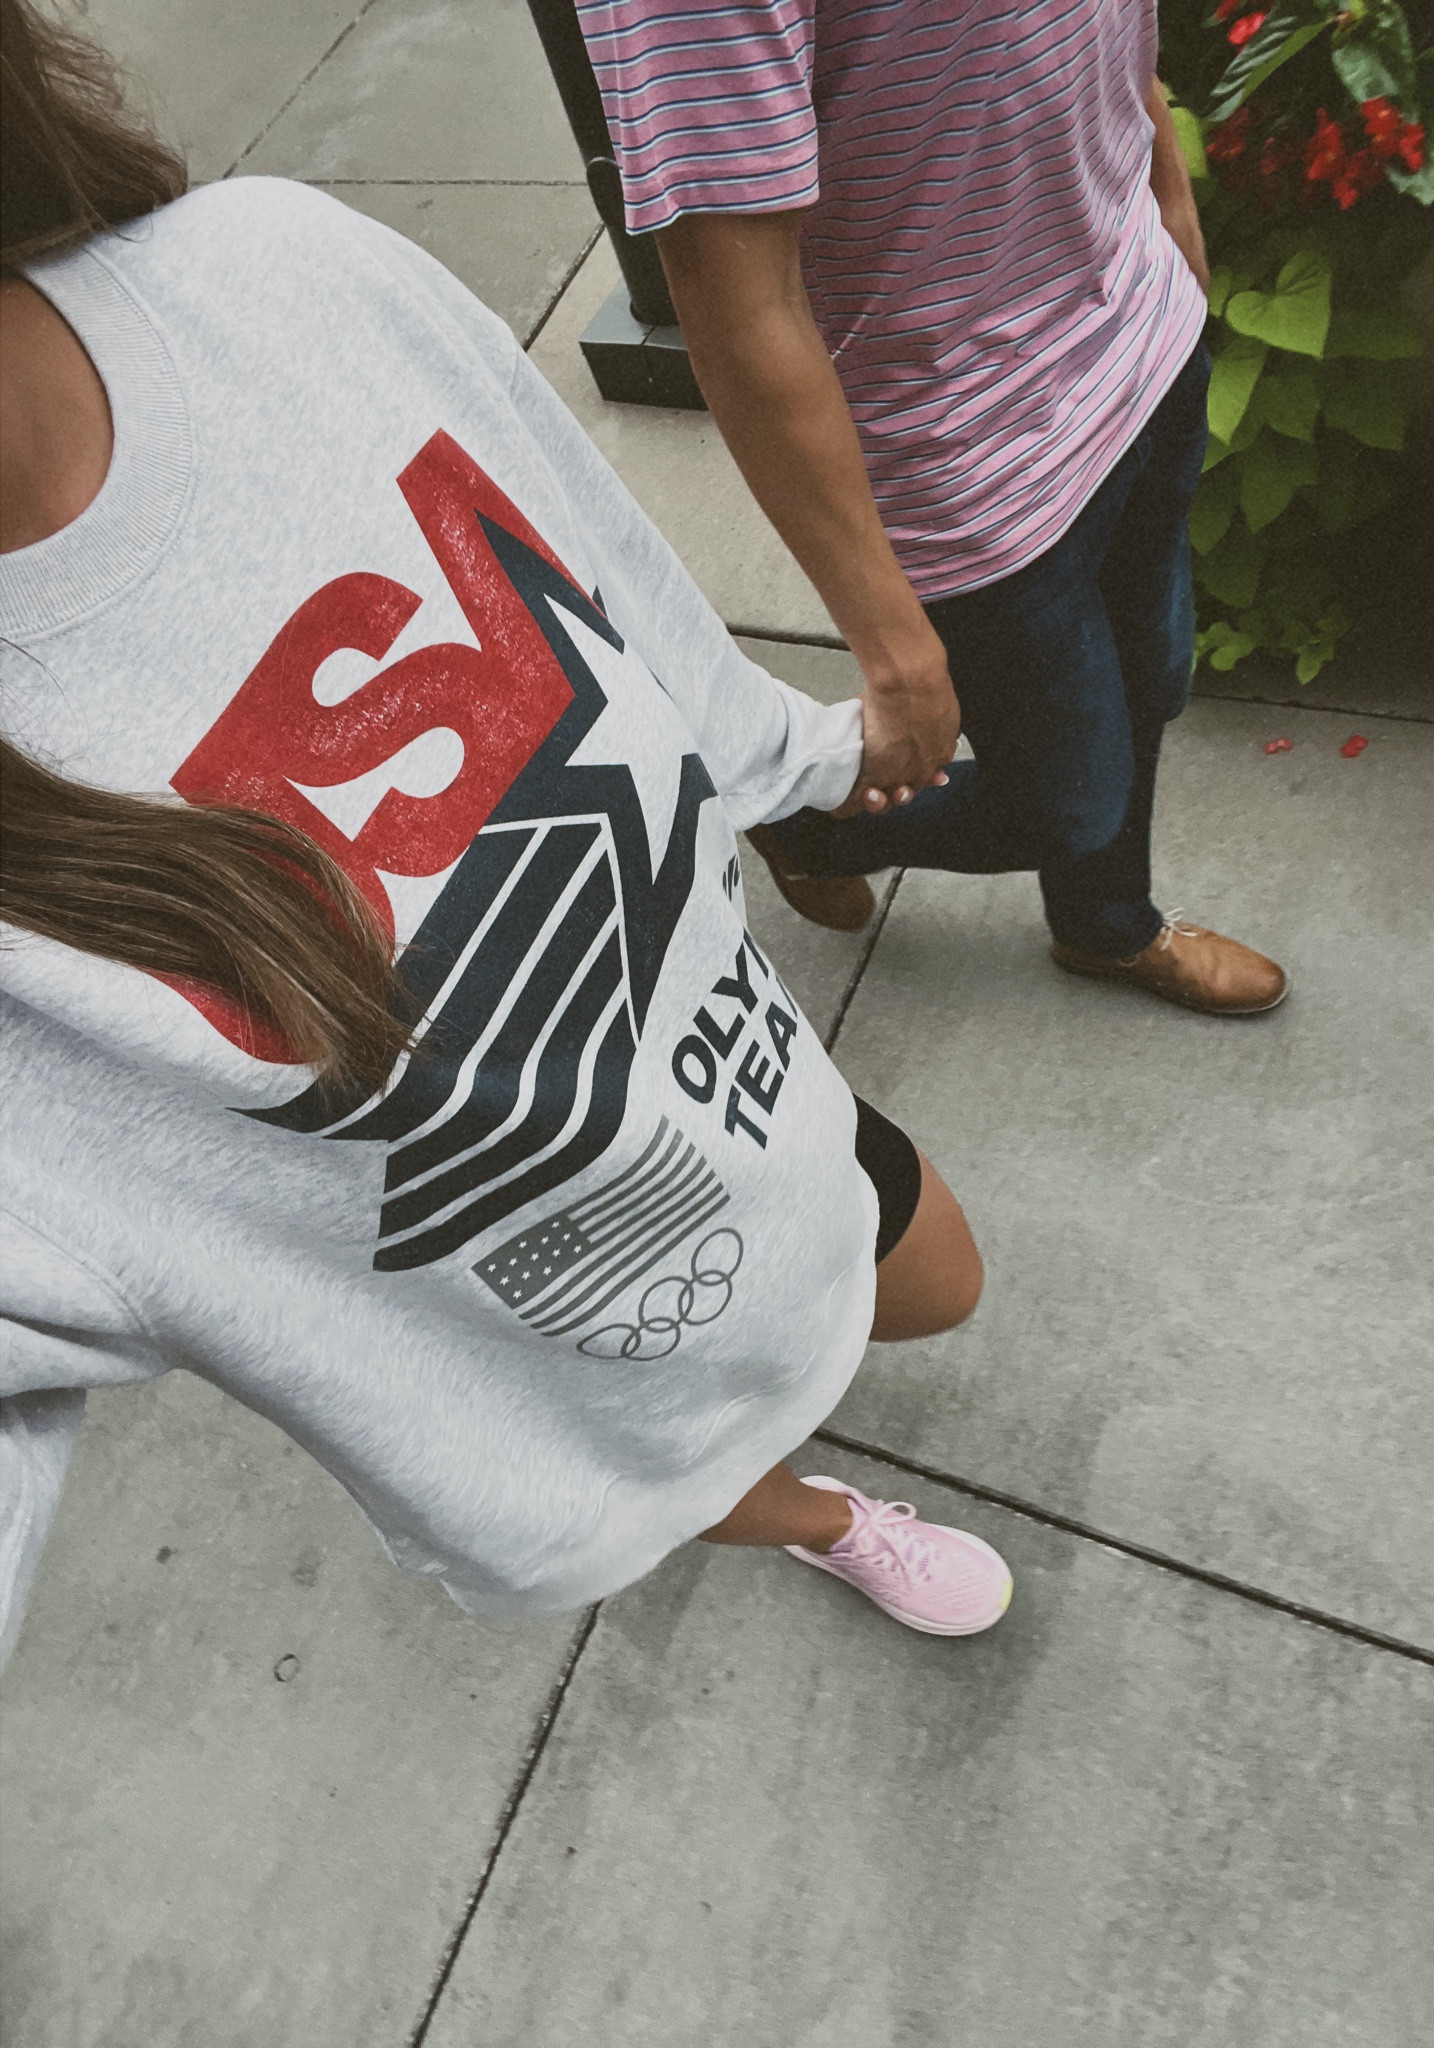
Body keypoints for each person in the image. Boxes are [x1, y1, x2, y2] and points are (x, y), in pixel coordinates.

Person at [0, 0, 1013, 1666]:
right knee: (696, 1477)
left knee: (938, 1280)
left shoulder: (279, 280)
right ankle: (823, 1520)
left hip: (748, 1103)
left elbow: (609, 587)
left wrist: (815, 757)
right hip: (550, 1356)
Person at [574, 0, 1290, 1012]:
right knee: (1064, 798)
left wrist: (1169, 196)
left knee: (1154, 676)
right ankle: (809, 824)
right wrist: (889, 645)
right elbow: (734, 297)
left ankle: (1105, 925)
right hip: (966, 443)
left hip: (1141, 329)